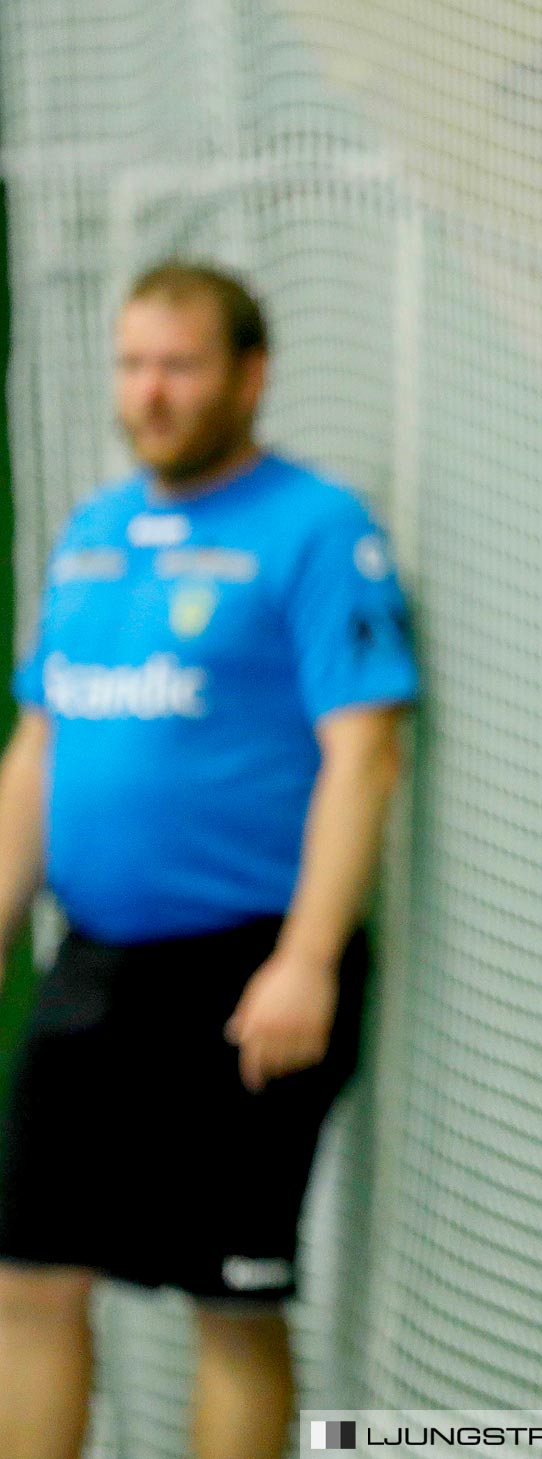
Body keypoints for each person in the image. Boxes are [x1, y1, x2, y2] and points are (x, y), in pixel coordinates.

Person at [0, 260, 418, 1459]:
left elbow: (364, 757)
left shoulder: (317, 529)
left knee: (229, 1302)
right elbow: (41, 745)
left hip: (244, 974)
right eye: (134, 364)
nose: (152, 391)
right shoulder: (92, 532)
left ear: (248, 373)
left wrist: (306, 958)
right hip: (91, 968)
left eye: (179, 364)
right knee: (30, 1279)